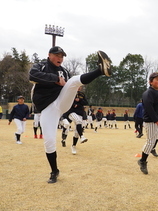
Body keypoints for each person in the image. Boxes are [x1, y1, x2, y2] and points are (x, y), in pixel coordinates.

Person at [29, 46, 111, 183]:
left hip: (61, 102)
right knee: (49, 142)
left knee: (73, 81)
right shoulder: (41, 66)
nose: (60, 58)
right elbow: (32, 75)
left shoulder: (64, 71)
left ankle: (100, 70)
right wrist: (55, 78)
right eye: (57, 55)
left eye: (62, 56)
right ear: (49, 55)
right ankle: (54, 171)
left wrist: (69, 86)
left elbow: (68, 85)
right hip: (47, 109)